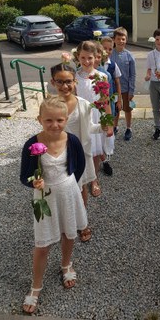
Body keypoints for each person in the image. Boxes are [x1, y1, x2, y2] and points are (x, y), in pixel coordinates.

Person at [21, 96, 87, 314]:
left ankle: (66, 264)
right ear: (40, 119)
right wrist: (34, 181)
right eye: (49, 120)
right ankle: (36, 286)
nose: (54, 125)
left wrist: (69, 184)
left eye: (59, 120)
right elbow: (24, 176)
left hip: (67, 192)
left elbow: (79, 166)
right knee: (43, 243)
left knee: (69, 233)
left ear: (66, 119)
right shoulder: (32, 144)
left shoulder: (72, 140)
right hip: (45, 196)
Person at [50, 63, 107, 242]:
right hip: (58, 156)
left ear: (75, 82)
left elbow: (89, 127)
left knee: (81, 187)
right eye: (59, 82)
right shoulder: (50, 105)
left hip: (80, 154)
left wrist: (103, 127)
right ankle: (63, 221)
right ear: (53, 82)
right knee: (61, 189)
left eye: (68, 81)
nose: (64, 86)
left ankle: (82, 222)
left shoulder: (84, 104)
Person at [74, 41, 114, 193]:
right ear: (78, 57)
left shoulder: (102, 76)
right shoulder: (75, 76)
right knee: (83, 149)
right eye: (83, 58)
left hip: (97, 116)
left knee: (96, 150)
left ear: (96, 57)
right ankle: (82, 177)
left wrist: (109, 123)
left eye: (89, 58)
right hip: (81, 116)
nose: (86, 61)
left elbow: (106, 102)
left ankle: (94, 179)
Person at [110, 27, 136, 140]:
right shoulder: (110, 54)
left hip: (126, 89)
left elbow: (133, 75)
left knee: (127, 109)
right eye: (118, 39)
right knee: (115, 109)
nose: (121, 41)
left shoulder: (129, 56)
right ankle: (115, 126)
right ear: (114, 40)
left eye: (123, 39)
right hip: (113, 90)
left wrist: (131, 90)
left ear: (126, 40)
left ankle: (128, 128)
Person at [144, 28, 160, 139]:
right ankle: (158, 127)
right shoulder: (150, 54)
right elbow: (149, 68)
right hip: (154, 83)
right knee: (155, 107)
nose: (159, 41)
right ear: (154, 40)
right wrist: (148, 75)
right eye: (157, 39)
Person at [101, 36, 122, 119]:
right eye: (104, 48)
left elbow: (117, 84)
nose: (107, 51)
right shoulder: (94, 64)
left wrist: (119, 100)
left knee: (109, 118)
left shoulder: (113, 65)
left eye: (110, 49)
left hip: (110, 97)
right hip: (97, 98)